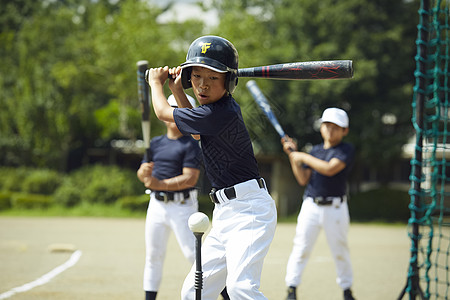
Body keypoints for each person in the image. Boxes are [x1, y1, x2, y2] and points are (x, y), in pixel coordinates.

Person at [146, 35, 277, 300]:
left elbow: (162, 113)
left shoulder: (220, 112)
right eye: (196, 77)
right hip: (225, 213)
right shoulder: (211, 113)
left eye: (213, 78)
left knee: (241, 289)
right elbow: (195, 134)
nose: (202, 86)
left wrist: (154, 83)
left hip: (249, 211)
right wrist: (177, 90)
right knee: (194, 293)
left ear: (228, 81)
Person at [281, 107, 356, 300]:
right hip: (311, 206)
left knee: (340, 250)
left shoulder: (345, 150)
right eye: (327, 125)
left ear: (344, 130)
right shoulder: (315, 150)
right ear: (321, 127)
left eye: (336, 127)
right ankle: (292, 288)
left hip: (336, 207)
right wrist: (293, 157)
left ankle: (347, 290)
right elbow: (303, 179)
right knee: (301, 248)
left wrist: (303, 156)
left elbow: (330, 169)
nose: (330, 130)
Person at [137, 94, 202, 300]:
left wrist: (159, 184)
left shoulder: (191, 144)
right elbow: (142, 174)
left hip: (182, 206)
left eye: (179, 110)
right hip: (156, 206)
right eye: (170, 108)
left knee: (194, 256)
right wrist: (143, 173)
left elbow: (190, 178)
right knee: (153, 255)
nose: (174, 114)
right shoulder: (155, 143)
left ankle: (226, 294)